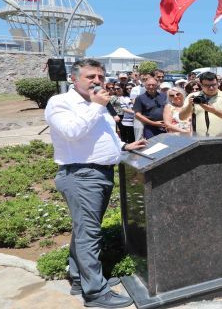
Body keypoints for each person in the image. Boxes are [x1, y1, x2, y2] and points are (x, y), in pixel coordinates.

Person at [45, 59, 146, 308]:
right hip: (81, 176)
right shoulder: (61, 103)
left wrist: (124, 146)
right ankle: (96, 293)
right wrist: (97, 107)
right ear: (73, 78)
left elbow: (103, 136)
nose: (97, 81)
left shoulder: (95, 104)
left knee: (83, 230)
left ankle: (80, 279)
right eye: (91, 77)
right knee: (89, 234)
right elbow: (71, 132)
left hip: (99, 174)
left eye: (100, 77)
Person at [179, 71, 222, 137]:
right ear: (201, 85)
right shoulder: (193, 96)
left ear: (218, 83)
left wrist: (214, 111)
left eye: (214, 85)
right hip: (198, 141)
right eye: (207, 85)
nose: (211, 88)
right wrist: (189, 106)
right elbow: (182, 117)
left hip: (220, 140)